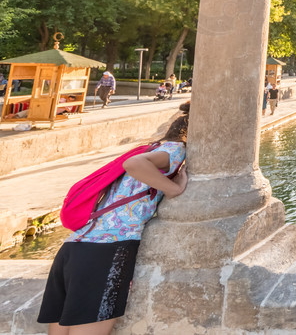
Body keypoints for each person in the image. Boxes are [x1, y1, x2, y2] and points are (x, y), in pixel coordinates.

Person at [38, 105, 190, 334]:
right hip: (106, 250)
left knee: (60, 330)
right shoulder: (176, 150)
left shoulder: (148, 148)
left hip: (73, 246)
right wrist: (174, 190)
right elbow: (134, 165)